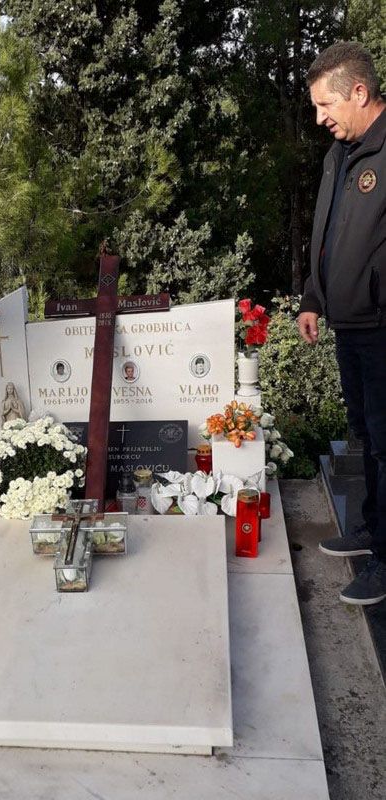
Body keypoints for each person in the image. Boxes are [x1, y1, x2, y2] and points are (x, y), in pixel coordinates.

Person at [298, 42, 386, 605]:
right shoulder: (341, 152)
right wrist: (313, 296)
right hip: (348, 324)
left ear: (359, 91)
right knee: (367, 438)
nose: (319, 118)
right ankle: (374, 530)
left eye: (325, 105)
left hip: (381, 327)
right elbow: (325, 229)